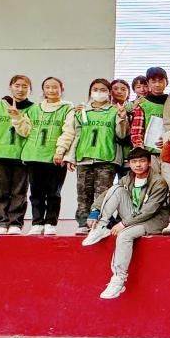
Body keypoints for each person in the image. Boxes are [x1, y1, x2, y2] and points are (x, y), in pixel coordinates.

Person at [81, 147, 170, 299]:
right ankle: (100, 227)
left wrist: (123, 224)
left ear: (149, 163)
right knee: (116, 189)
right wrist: (95, 211)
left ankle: (118, 279)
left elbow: (149, 211)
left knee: (124, 235)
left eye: (142, 161)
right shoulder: (127, 178)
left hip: (153, 221)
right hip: (133, 216)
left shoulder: (158, 182)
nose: (138, 165)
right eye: (134, 162)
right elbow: (107, 194)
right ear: (129, 164)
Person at [56, 79, 128, 235]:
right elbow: (77, 135)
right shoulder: (82, 111)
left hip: (107, 159)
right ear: (90, 92)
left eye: (103, 89)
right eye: (95, 89)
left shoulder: (115, 110)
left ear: (109, 93)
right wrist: (71, 157)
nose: (99, 92)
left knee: (103, 193)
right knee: (83, 193)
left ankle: (100, 223)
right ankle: (83, 223)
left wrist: (122, 118)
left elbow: (122, 135)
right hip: (84, 158)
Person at [16, 76, 72, 235]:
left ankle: (50, 223)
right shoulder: (34, 109)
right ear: (43, 90)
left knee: (53, 192)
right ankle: (37, 223)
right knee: (36, 192)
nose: (51, 90)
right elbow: (24, 131)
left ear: (62, 89)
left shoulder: (68, 108)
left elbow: (69, 132)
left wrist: (60, 151)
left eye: (55, 87)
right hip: (33, 156)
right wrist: (16, 117)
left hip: (55, 157)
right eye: (47, 87)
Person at [0, 74, 35, 235]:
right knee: (0, 192)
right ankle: (2, 222)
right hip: (0, 155)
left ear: (30, 90)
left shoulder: (33, 109)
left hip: (22, 157)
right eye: (17, 85)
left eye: (25, 86)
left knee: (19, 192)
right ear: (10, 87)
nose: (20, 89)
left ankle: (15, 223)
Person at [129, 66, 170, 234]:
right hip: (150, 154)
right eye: (153, 81)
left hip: (169, 153)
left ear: (166, 82)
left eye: (161, 81)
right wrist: (141, 152)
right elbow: (136, 130)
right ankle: (147, 219)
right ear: (148, 83)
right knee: (150, 187)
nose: (157, 84)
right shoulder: (142, 104)